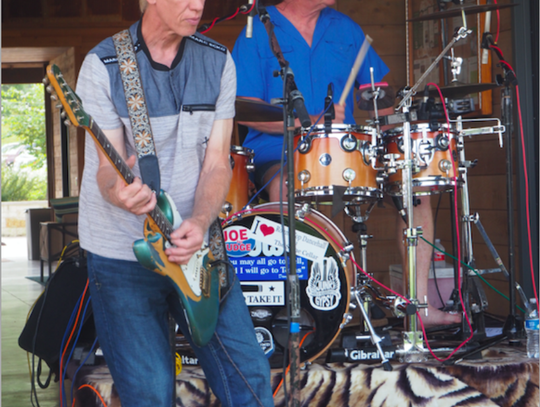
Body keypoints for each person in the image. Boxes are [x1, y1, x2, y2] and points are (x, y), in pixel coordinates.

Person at [75, 0, 273, 405]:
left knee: (249, 377)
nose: (196, 4)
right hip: (123, 252)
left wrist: (201, 222)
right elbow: (107, 170)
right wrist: (121, 193)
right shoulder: (104, 65)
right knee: (149, 391)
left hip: (196, 247)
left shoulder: (218, 61)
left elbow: (218, 161)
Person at [232, 0, 460, 328]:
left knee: (415, 189)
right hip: (279, 151)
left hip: (346, 151)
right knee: (286, 187)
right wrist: (306, 122)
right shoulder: (257, 30)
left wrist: (400, 130)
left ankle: (418, 305)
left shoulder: (345, 29)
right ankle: (298, 311)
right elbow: (246, 109)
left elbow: (378, 100)